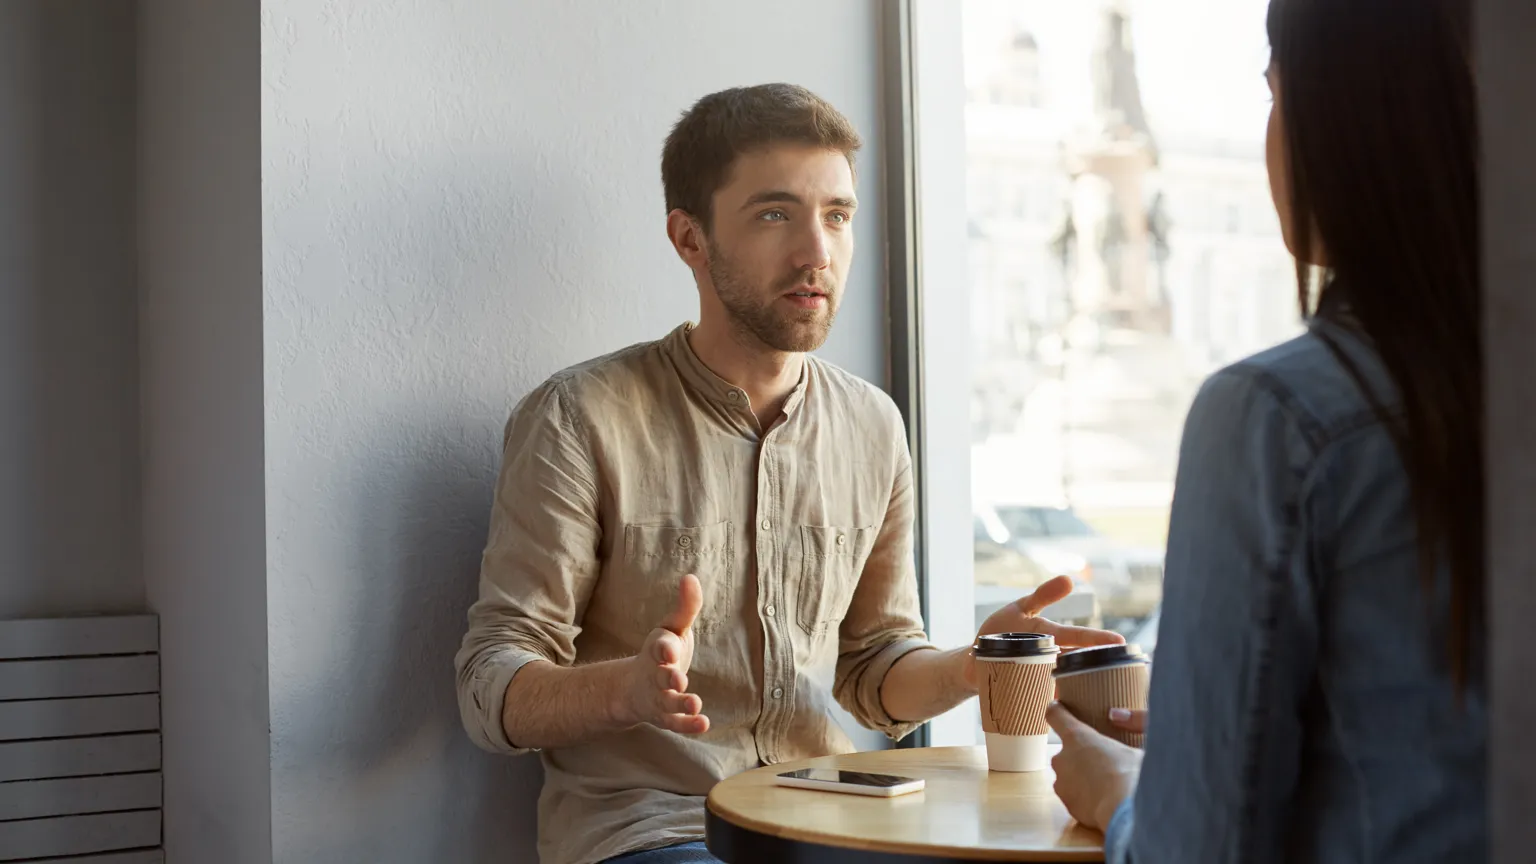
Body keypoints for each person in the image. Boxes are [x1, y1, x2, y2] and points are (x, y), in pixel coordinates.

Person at [454, 83, 1122, 864]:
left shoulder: (874, 424)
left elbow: (873, 665)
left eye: (836, 215)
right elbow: (489, 680)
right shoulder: (579, 416)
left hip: (830, 818)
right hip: (657, 832)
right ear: (690, 238)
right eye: (775, 214)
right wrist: (626, 692)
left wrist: (971, 669)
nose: (818, 252)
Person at [1046, 0, 1486, 861]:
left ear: (1341, 121)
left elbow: (1197, 850)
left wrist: (1124, 795)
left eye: (1273, 96)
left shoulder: (1279, 418)